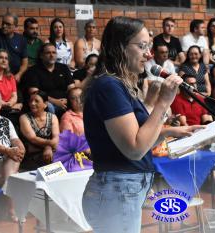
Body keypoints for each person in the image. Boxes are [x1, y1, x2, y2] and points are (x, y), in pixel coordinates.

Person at [81, 16, 198, 233]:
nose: (149, 54)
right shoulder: (109, 86)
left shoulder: (120, 85)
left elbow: (141, 136)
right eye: (142, 46)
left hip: (122, 188)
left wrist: (171, 131)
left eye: (150, 47)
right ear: (120, 47)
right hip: (117, 189)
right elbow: (134, 149)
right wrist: (163, 102)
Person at [0, 91, 25, 222]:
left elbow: (15, 140)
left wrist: (20, 148)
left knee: (10, 169)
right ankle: (14, 209)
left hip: (8, 160)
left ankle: (12, 210)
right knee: (13, 175)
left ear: (1, 105)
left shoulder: (6, 121)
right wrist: (8, 151)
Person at [22, 43, 75, 116]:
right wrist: (55, 101)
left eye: (54, 52)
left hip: (64, 101)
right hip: (46, 103)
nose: (51, 55)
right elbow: (34, 92)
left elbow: (71, 88)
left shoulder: (63, 68)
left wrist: (68, 100)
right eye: (48, 53)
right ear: (41, 56)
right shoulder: (33, 71)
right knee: (49, 107)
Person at [19, 90, 59, 170]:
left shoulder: (53, 117)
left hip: (51, 151)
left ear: (45, 104)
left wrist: (49, 147)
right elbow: (33, 139)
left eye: (36, 101)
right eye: (31, 101)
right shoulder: (24, 118)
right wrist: (47, 146)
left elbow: (56, 138)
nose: (32, 103)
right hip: (32, 154)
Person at [0, 13, 28, 83]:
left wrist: (19, 74)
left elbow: (25, 63)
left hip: (15, 78)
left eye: (8, 24)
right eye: (3, 23)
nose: (4, 26)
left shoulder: (22, 40)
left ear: (15, 26)